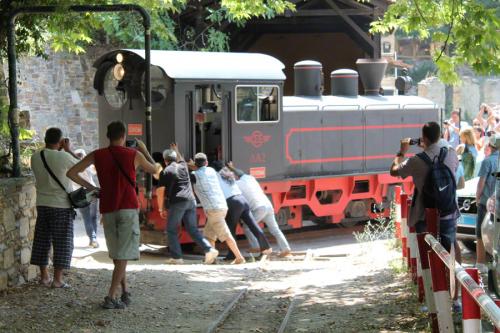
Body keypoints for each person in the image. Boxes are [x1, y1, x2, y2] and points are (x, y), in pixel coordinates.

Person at [67, 121, 162, 309]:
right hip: (127, 208)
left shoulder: (97, 154)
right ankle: (111, 296)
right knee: (123, 253)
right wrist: (144, 150)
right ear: (124, 135)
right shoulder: (134, 155)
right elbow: (157, 172)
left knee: (118, 254)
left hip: (108, 208)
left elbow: (72, 172)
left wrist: (92, 187)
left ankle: (125, 291)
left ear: (107, 136)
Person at [389, 122, 461, 311]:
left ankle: (435, 302)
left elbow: (394, 171)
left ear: (424, 137)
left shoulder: (416, 160)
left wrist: (401, 151)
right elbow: (457, 178)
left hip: (426, 215)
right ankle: (456, 299)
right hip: (449, 211)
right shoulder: (451, 152)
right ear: (439, 135)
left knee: (429, 256)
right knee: (452, 249)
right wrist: (430, 145)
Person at [30, 128, 78, 288]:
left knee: (42, 239)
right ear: (60, 141)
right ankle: (57, 280)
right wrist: (68, 149)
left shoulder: (35, 156)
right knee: (63, 242)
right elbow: (81, 166)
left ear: (45, 139)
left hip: (42, 203)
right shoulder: (63, 156)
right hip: (61, 205)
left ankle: (44, 277)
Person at [156, 144, 219, 265]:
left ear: (165, 160)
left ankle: (177, 257)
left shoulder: (165, 171)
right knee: (192, 229)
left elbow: (160, 192)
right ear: (175, 159)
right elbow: (180, 159)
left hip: (178, 202)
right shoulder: (183, 166)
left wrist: (161, 208)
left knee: (171, 229)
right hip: (191, 201)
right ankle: (209, 249)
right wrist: (176, 150)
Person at [189, 153, 246, 264]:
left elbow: (195, 171)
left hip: (213, 209)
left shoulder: (194, 174)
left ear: (195, 164)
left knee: (225, 234)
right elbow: (200, 169)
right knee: (209, 234)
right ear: (206, 163)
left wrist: (185, 162)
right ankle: (212, 259)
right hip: (222, 206)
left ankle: (239, 257)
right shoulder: (211, 171)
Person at [227, 162, 292, 257]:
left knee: (247, 226)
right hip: (268, 205)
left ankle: (255, 246)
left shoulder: (236, 185)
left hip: (259, 208)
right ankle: (285, 248)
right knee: (275, 229)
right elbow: (240, 172)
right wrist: (232, 168)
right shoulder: (249, 178)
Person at [212, 161, 272, 260]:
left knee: (231, 229)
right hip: (242, 200)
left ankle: (232, 255)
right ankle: (266, 247)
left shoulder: (215, 175)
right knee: (253, 225)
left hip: (232, 202)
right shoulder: (228, 174)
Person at [474, 136, 499, 274]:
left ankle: (480, 263)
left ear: (491, 145)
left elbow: (481, 183)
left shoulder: (487, 161)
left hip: (486, 203)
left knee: (480, 233)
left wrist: (477, 198)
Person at [74, 149, 100, 248]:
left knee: (87, 217)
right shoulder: (88, 166)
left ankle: (93, 239)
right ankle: (94, 239)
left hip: (79, 193)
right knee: (93, 217)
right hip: (91, 191)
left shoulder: (73, 167)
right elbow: (96, 171)